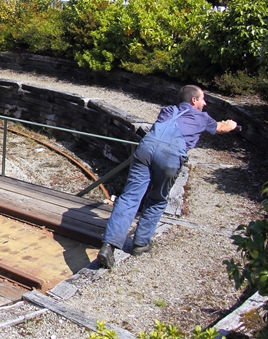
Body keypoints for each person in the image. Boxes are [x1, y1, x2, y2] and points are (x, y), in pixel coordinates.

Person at [97, 85, 237, 269]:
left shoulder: (168, 110)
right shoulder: (202, 117)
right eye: (203, 99)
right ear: (193, 101)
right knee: (157, 198)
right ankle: (140, 243)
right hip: (170, 156)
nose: (205, 103)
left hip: (146, 149)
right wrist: (232, 124)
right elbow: (220, 128)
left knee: (130, 196)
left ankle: (109, 245)